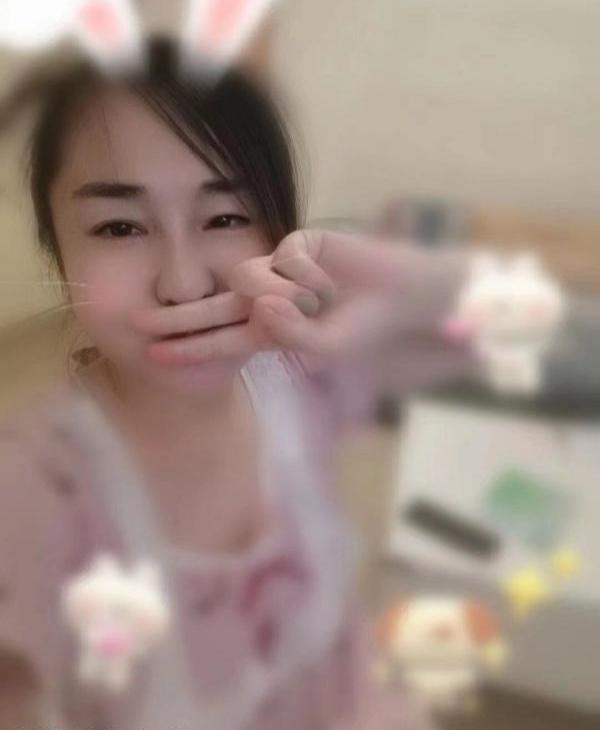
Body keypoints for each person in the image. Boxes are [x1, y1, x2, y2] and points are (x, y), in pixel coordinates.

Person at [0, 37, 471, 729]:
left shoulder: (301, 376)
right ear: (58, 255)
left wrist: (408, 281)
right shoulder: (31, 487)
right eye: (120, 226)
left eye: (225, 218)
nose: (184, 283)